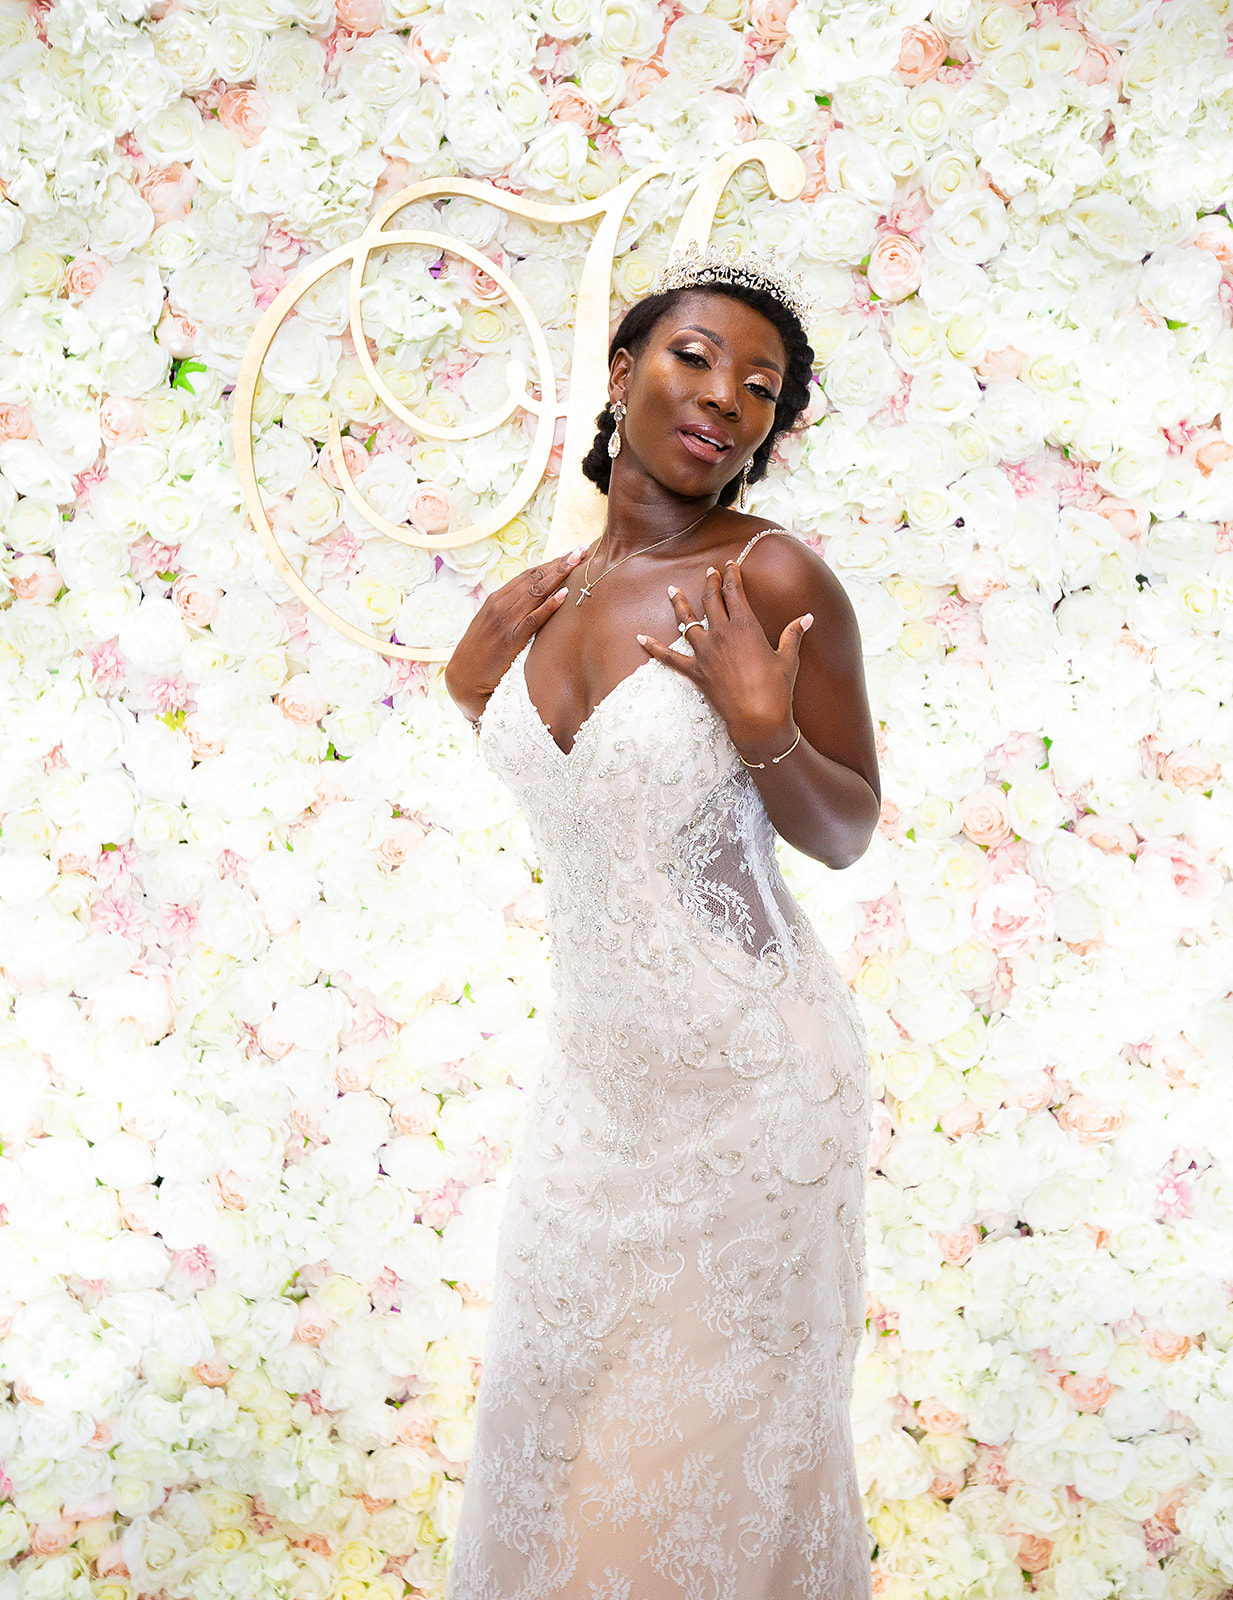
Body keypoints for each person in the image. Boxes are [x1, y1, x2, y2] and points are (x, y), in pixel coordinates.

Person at [442, 249, 880, 1600]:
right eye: (696, 357)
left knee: (714, 1462)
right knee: (556, 1431)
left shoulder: (768, 574)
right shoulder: (546, 595)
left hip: (754, 1094)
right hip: (591, 1103)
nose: (726, 399)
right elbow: (581, 803)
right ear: (622, 371)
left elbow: (843, 826)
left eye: (762, 388)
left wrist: (764, 737)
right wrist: (471, 683)